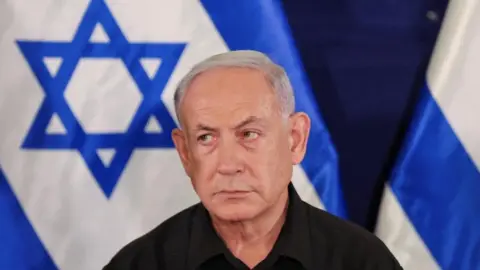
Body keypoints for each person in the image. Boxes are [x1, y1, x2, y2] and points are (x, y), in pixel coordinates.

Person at [103, 50, 403, 270]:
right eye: (206, 138)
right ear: (185, 153)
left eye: (249, 134)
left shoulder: (360, 262)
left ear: (295, 139)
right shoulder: (140, 264)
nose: (229, 165)